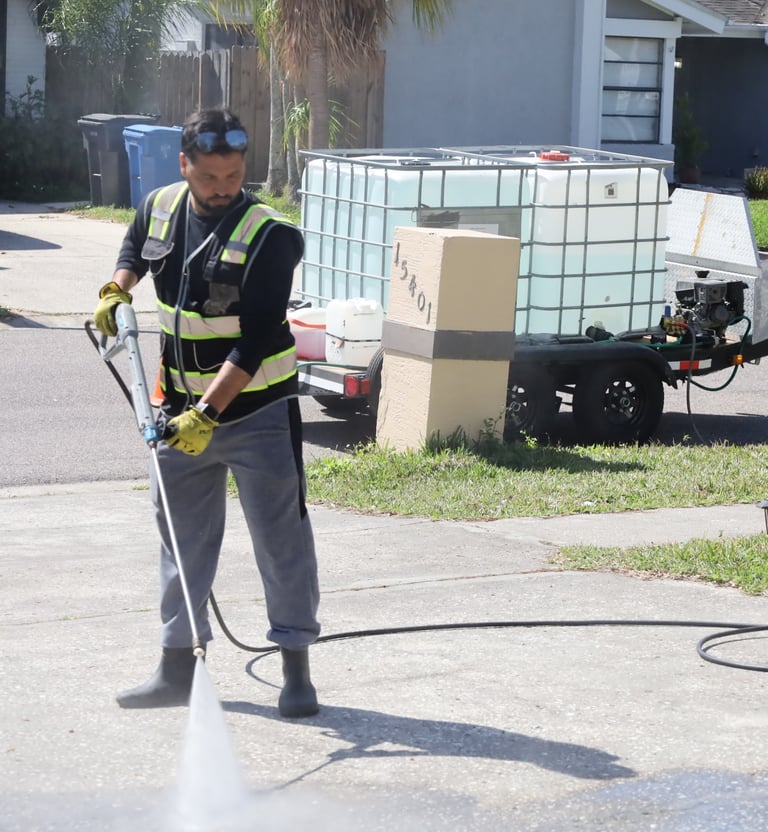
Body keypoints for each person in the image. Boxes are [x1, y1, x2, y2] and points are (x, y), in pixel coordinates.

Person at [93, 107, 320, 718]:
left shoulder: (271, 235)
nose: (223, 187)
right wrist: (118, 287)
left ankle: (296, 670)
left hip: (256, 415)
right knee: (180, 543)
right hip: (175, 411)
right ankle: (176, 669)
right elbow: (135, 247)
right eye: (211, 176)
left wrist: (208, 415)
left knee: (280, 542)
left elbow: (255, 339)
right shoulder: (162, 203)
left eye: (234, 175)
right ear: (184, 164)